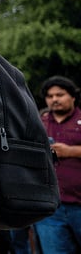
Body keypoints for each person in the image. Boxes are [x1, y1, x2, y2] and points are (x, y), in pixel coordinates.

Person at [34, 75, 81, 252]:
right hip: (51, 208)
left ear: (73, 96)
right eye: (50, 96)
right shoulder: (39, 122)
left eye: (60, 95)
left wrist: (70, 151)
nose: (54, 99)